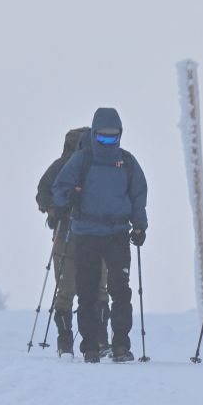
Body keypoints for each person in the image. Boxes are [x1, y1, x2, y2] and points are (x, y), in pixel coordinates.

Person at [51, 107, 147, 363]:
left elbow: (138, 194)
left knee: (121, 291)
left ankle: (120, 346)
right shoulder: (82, 160)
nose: (107, 142)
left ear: (120, 135)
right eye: (102, 137)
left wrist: (140, 225)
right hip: (87, 233)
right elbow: (58, 188)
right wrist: (69, 196)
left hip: (117, 233)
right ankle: (90, 346)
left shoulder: (126, 162)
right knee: (87, 291)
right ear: (94, 135)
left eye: (112, 137)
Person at [36, 127, 112, 356]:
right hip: (89, 232)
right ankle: (101, 339)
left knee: (65, 287)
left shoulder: (60, 165)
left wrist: (53, 209)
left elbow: (42, 192)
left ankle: (65, 341)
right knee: (99, 286)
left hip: (65, 233)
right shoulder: (96, 165)